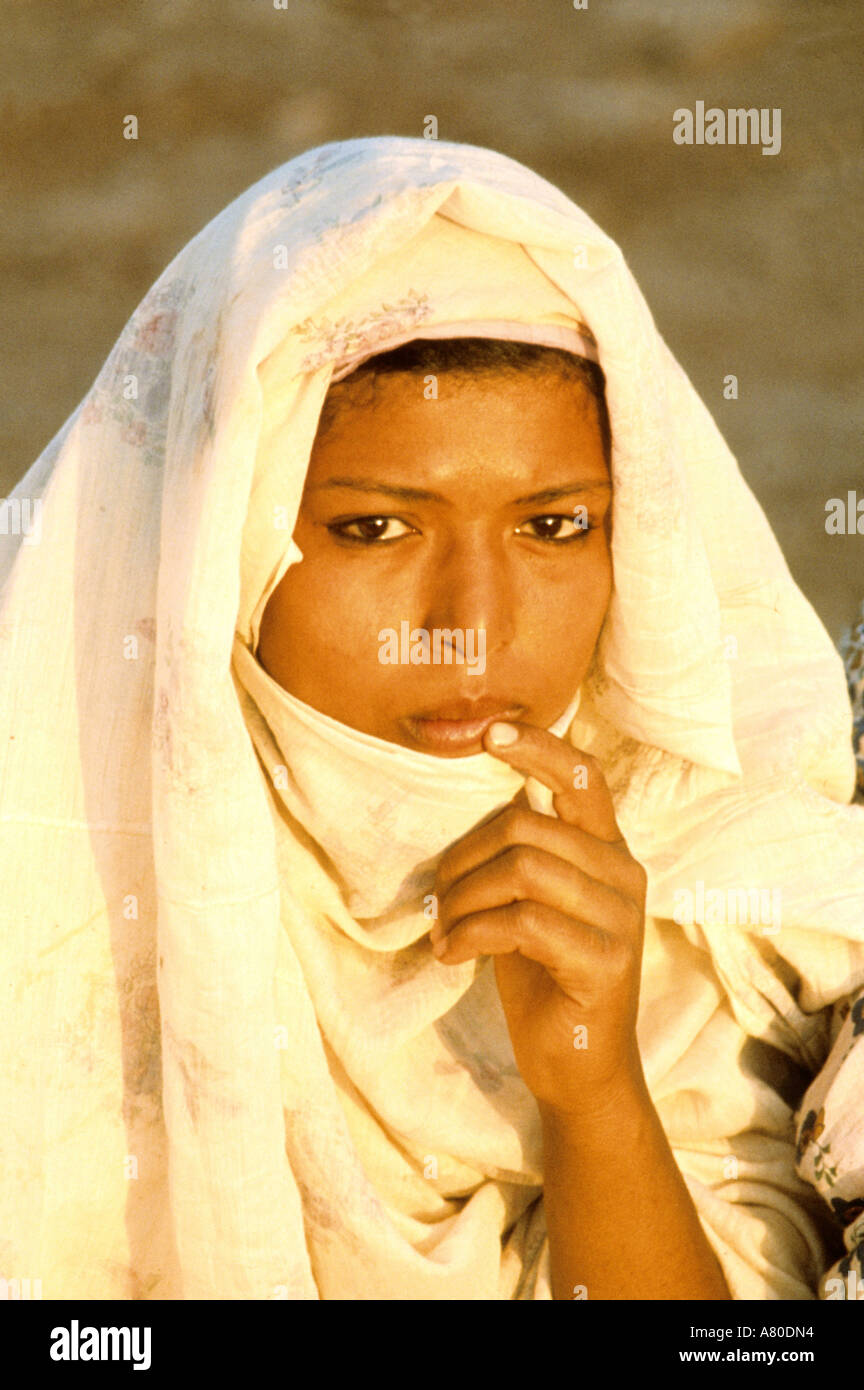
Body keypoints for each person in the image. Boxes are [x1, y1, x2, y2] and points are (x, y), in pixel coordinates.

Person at [1, 135, 863, 1301]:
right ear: (226, 539)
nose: (472, 624)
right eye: (376, 529)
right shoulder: (54, 863)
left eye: (553, 526)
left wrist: (594, 1087)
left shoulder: (704, 885)